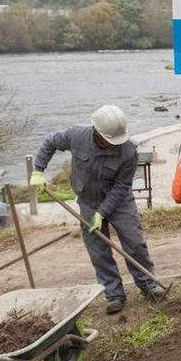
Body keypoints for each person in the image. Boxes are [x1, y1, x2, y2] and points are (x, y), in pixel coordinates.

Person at [29, 105, 164, 314]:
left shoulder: (128, 150)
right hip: (88, 201)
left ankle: (148, 284)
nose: (114, 144)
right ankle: (114, 294)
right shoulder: (76, 136)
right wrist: (38, 170)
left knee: (135, 242)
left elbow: (121, 186)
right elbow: (50, 143)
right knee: (99, 250)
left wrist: (103, 212)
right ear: (98, 132)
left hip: (119, 202)